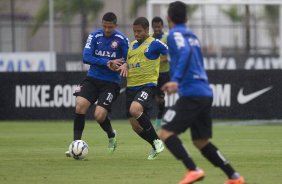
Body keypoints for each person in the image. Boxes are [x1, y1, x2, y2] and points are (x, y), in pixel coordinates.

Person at [159, 1, 245, 184]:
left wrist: (176, 80)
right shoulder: (193, 36)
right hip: (204, 91)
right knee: (200, 141)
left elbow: (184, 52)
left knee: (165, 133)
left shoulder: (175, 34)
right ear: (187, 18)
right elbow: (190, 54)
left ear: (168, 18)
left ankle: (193, 169)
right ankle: (234, 176)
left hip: (191, 92)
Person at [65, 12, 129, 156]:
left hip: (111, 83)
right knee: (80, 105)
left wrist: (124, 65)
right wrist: (107, 62)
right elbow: (86, 57)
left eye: (110, 27)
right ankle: (75, 145)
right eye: (105, 26)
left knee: (99, 116)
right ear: (102, 24)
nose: (107, 30)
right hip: (92, 78)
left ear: (116, 26)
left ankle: (111, 135)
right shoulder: (94, 36)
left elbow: (128, 59)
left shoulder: (122, 39)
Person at [125, 17, 168, 160]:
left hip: (147, 86)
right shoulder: (131, 46)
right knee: (135, 126)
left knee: (135, 110)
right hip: (130, 88)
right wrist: (122, 65)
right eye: (134, 31)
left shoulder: (154, 44)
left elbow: (170, 51)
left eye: (139, 31)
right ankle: (154, 145)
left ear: (147, 30)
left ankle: (156, 140)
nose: (136, 34)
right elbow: (127, 62)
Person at [150, 16, 170, 130]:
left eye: (159, 26)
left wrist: (159, 60)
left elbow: (170, 55)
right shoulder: (149, 39)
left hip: (163, 73)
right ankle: (146, 120)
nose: (157, 29)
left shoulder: (167, 38)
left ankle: (159, 118)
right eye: (155, 27)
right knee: (149, 96)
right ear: (152, 27)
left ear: (162, 26)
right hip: (151, 73)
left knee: (160, 99)